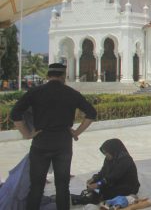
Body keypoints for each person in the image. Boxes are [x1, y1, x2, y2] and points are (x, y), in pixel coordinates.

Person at [10, 63, 97, 210]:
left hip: (41, 143)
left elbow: (15, 114)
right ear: (64, 76)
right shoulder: (71, 93)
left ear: (47, 76)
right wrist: (76, 133)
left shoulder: (35, 92)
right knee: (62, 186)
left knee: (36, 186)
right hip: (63, 144)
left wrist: (27, 134)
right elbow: (91, 113)